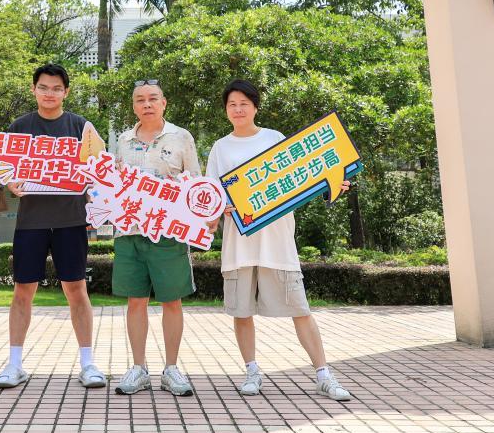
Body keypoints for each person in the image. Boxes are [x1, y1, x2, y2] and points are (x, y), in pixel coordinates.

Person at [205, 79, 353, 402]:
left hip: (277, 243)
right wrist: (219, 206)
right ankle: (252, 372)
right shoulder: (220, 148)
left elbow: (304, 176)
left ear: (255, 107)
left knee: (300, 308)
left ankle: (324, 374)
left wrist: (331, 183)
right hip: (239, 246)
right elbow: (210, 194)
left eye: (244, 104)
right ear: (226, 110)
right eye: (232, 105)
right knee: (242, 311)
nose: (238, 110)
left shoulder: (274, 139)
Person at [0, 63, 108, 390]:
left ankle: (88, 363)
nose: (49, 93)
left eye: (56, 88)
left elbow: (99, 169)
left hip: (71, 220)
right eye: (43, 87)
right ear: (34, 89)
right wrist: (9, 181)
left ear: (66, 92)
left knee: (76, 289)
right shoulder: (20, 127)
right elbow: (3, 169)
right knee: (23, 290)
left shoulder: (81, 127)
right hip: (32, 222)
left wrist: (94, 186)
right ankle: (14, 364)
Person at [111, 79, 202, 397]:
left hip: (169, 232)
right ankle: (138, 368)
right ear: (134, 106)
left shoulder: (181, 137)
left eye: (153, 98)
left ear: (164, 103)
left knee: (171, 300)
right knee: (135, 301)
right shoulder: (123, 140)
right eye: (140, 99)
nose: (146, 104)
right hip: (129, 232)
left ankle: (172, 369)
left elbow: (195, 183)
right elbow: (114, 183)